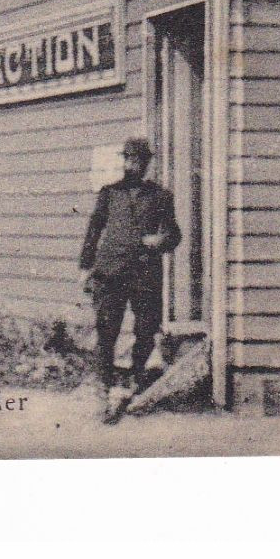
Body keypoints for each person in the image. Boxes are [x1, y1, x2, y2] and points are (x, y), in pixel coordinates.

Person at [78, 137, 182, 422]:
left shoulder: (160, 196)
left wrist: (160, 240)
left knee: (146, 329)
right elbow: (93, 231)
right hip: (110, 272)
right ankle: (104, 386)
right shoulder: (109, 194)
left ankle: (136, 378)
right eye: (129, 159)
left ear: (146, 164)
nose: (133, 164)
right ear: (123, 161)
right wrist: (86, 268)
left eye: (139, 160)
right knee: (106, 330)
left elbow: (174, 234)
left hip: (144, 273)